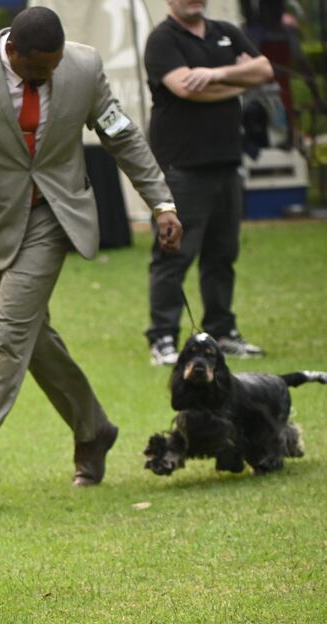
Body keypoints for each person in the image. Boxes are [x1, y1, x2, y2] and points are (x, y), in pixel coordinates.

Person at [0, 6, 182, 513]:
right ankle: (93, 428)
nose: (50, 77)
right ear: (13, 52)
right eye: (39, 70)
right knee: (32, 336)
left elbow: (120, 135)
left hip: (57, 215)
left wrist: (161, 203)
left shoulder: (82, 66)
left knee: (9, 334)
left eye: (55, 67)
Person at [144, 0, 274, 366]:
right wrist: (236, 79)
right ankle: (163, 338)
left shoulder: (225, 32)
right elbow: (185, 88)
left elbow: (263, 70)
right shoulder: (162, 40)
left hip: (226, 162)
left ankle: (222, 330)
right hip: (183, 166)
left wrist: (213, 76)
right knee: (174, 255)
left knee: (222, 253)